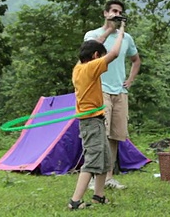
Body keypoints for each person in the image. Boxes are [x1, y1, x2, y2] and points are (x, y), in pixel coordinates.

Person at [67, 20, 127, 210]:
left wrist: (107, 31)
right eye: (99, 56)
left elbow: (87, 51)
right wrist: (121, 32)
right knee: (93, 159)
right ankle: (75, 201)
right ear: (95, 56)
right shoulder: (91, 68)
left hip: (94, 119)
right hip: (90, 120)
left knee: (105, 157)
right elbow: (115, 53)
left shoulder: (78, 68)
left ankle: (98, 196)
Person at [84, 0, 141, 190]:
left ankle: (108, 177)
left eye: (120, 11)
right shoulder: (93, 34)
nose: (117, 14)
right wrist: (109, 29)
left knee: (116, 136)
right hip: (100, 89)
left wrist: (130, 80)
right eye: (114, 11)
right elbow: (88, 53)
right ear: (105, 13)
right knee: (100, 134)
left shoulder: (126, 38)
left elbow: (136, 60)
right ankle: (93, 178)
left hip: (120, 91)